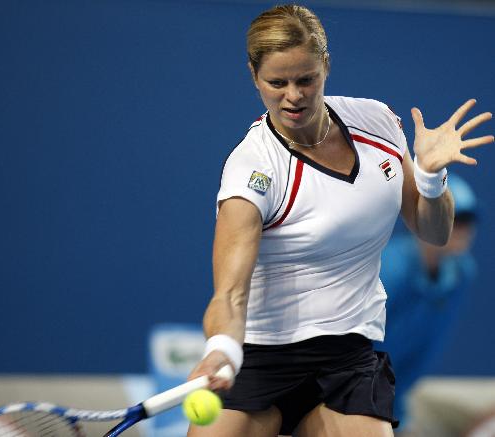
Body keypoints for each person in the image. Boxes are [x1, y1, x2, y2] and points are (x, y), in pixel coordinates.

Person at [186, 4, 493, 437]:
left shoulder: (378, 124)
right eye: (277, 83)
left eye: (305, 79)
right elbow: (231, 294)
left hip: (346, 359)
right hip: (261, 355)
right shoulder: (251, 169)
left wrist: (429, 177)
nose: (293, 95)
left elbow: (435, 230)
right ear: (254, 77)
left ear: (325, 66)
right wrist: (221, 349)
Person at [379, 173, 479, 433]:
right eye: (456, 218)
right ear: (426, 218)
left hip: (392, 404)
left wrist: (394, 411)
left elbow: (424, 352)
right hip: (346, 399)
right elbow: (353, 349)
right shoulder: (391, 268)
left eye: (469, 219)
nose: (463, 229)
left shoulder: (461, 273)